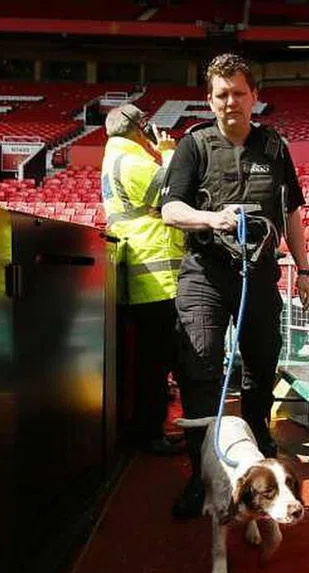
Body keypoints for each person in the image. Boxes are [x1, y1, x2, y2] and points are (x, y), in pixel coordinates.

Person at [161, 53, 309, 519]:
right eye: (221, 94)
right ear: (210, 99)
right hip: (205, 275)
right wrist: (214, 218)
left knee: (260, 369)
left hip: (260, 277)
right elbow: (171, 210)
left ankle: (257, 464)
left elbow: (292, 214)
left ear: (255, 96)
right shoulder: (195, 144)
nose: (230, 101)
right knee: (201, 372)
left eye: (238, 92)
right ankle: (200, 477)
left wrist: (304, 270)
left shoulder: (275, 146)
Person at [102, 103, 186, 455]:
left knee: (151, 361)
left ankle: (148, 429)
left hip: (146, 272)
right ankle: (151, 434)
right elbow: (169, 194)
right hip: (155, 274)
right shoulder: (131, 158)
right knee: (155, 363)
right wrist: (167, 154)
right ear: (141, 129)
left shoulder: (116, 157)